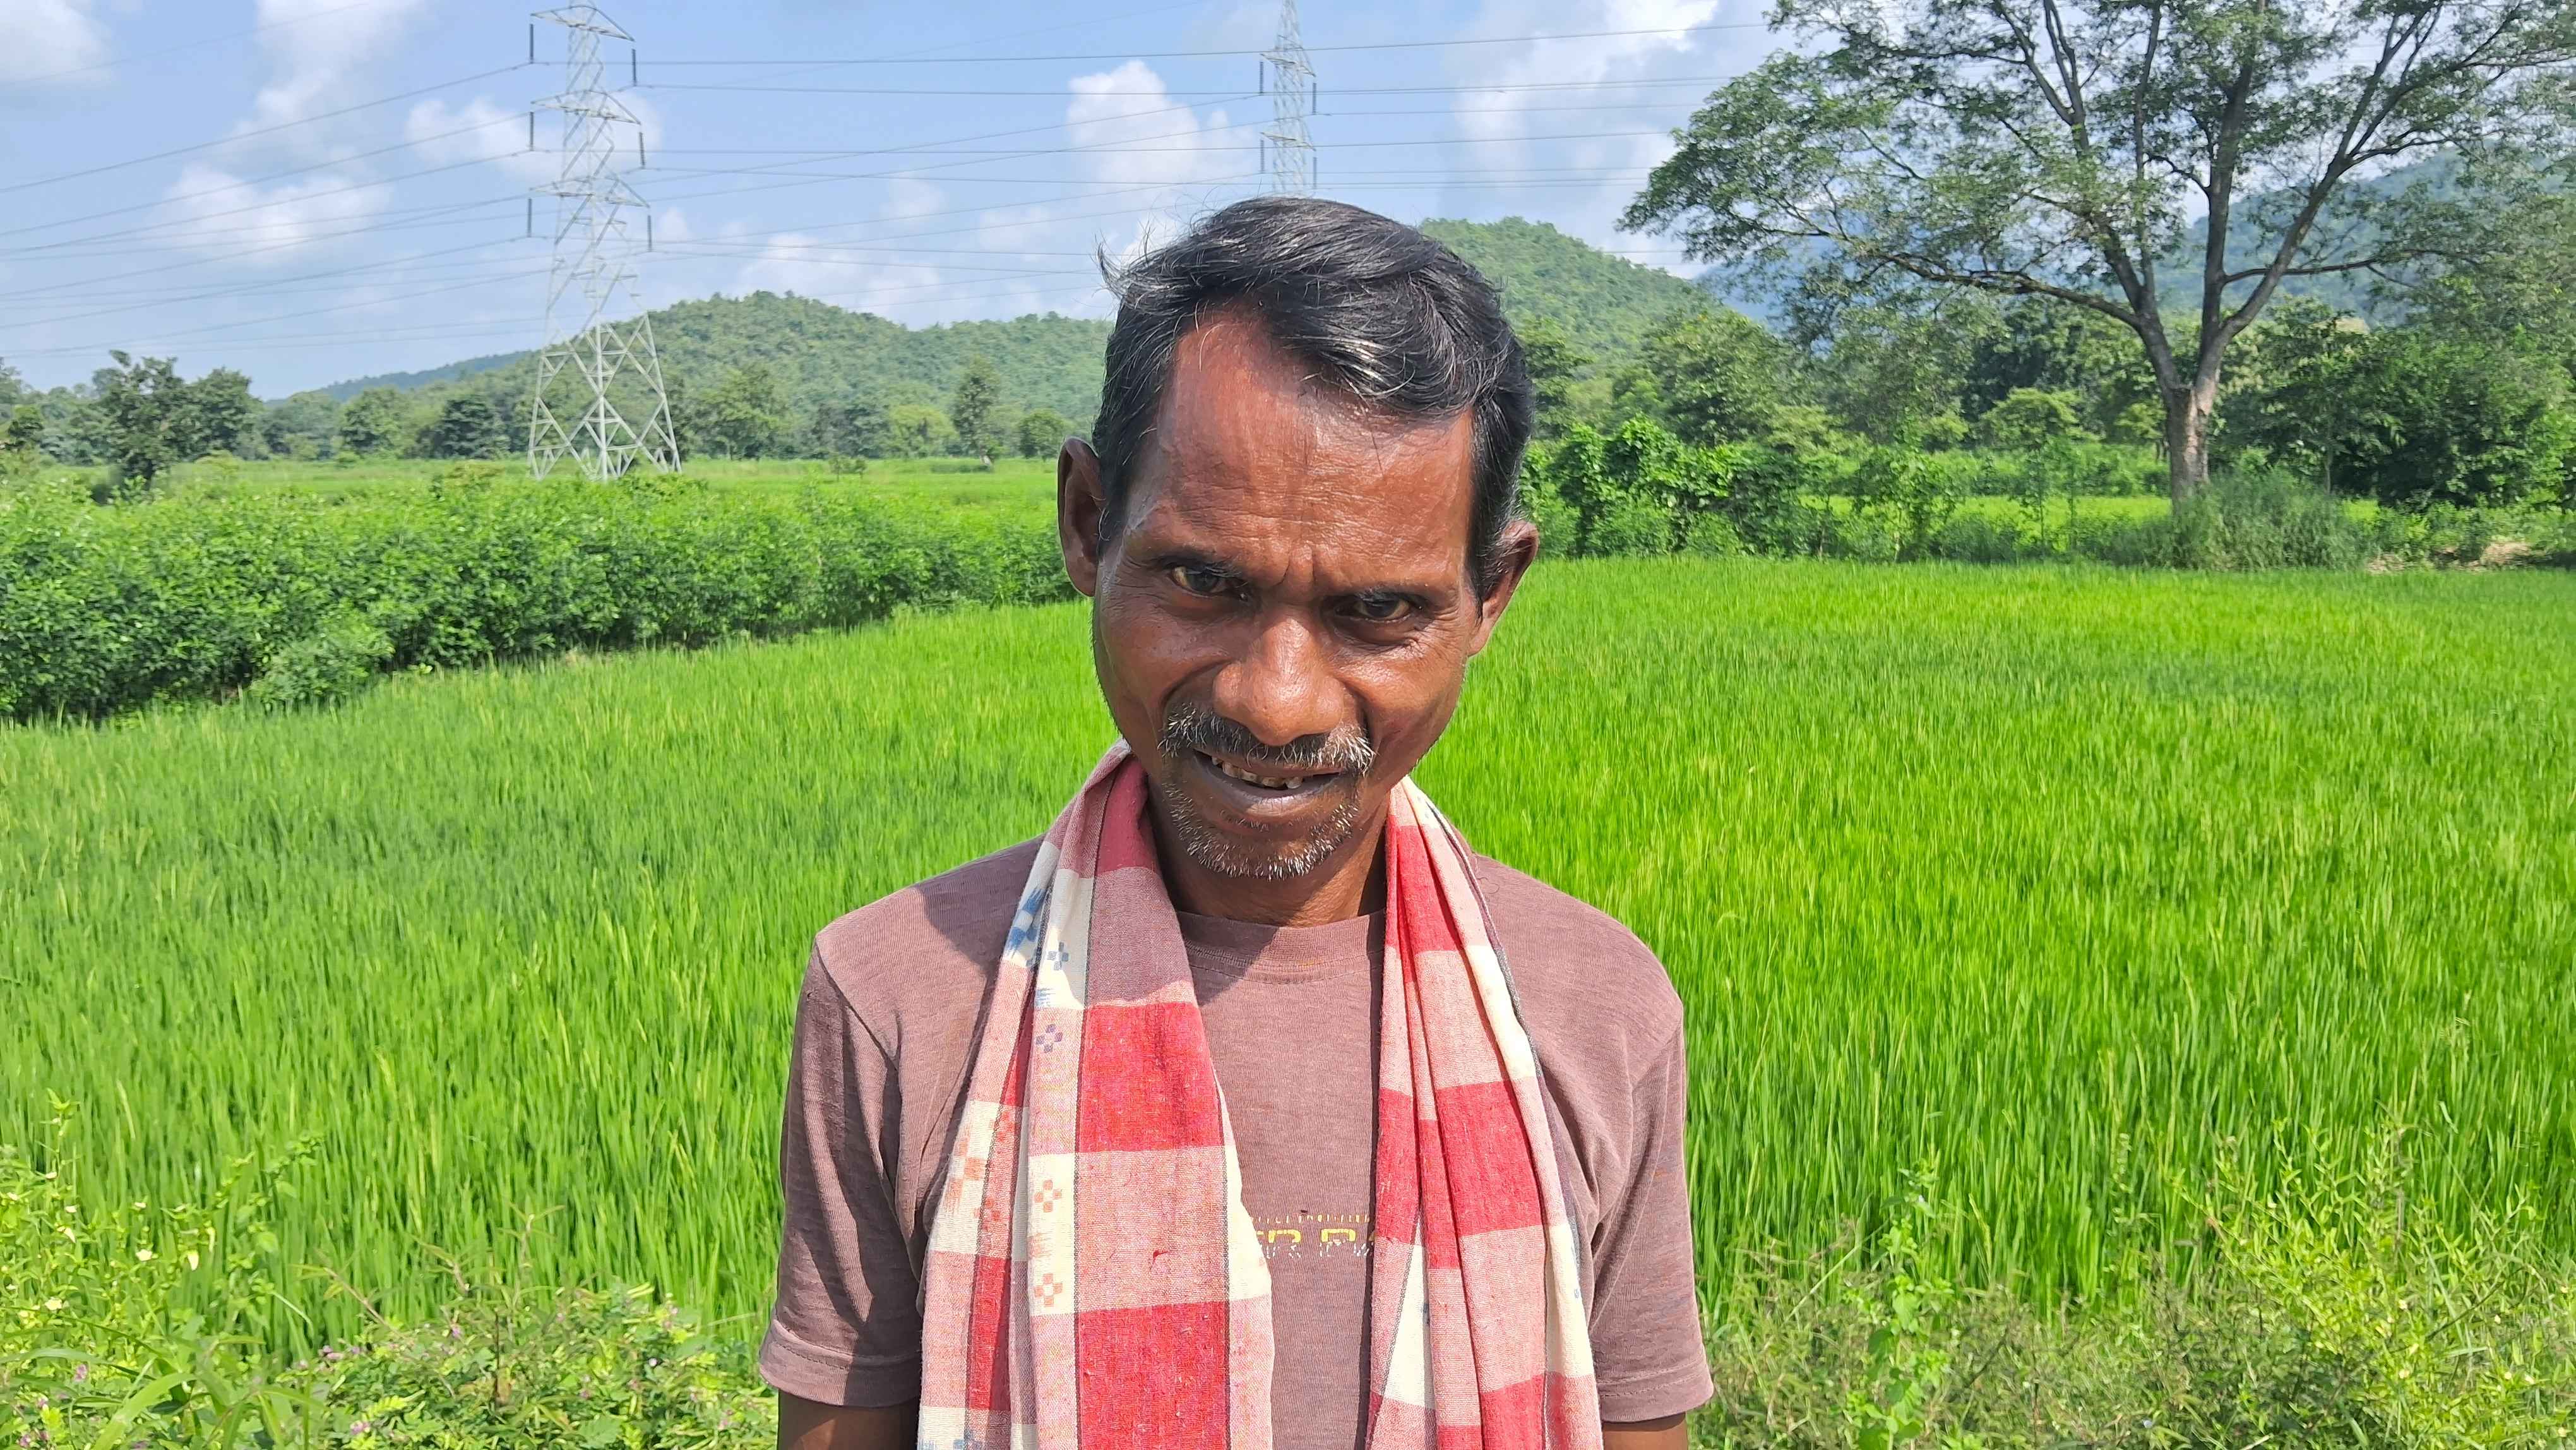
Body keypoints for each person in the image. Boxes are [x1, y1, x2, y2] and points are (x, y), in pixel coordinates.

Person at [763, 196, 1710, 1450]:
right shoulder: (900, 995)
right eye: (1204, 581)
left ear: (1492, 594)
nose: (1278, 702)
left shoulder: (1598, 1006)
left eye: (1379, 610)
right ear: (1088, 522)